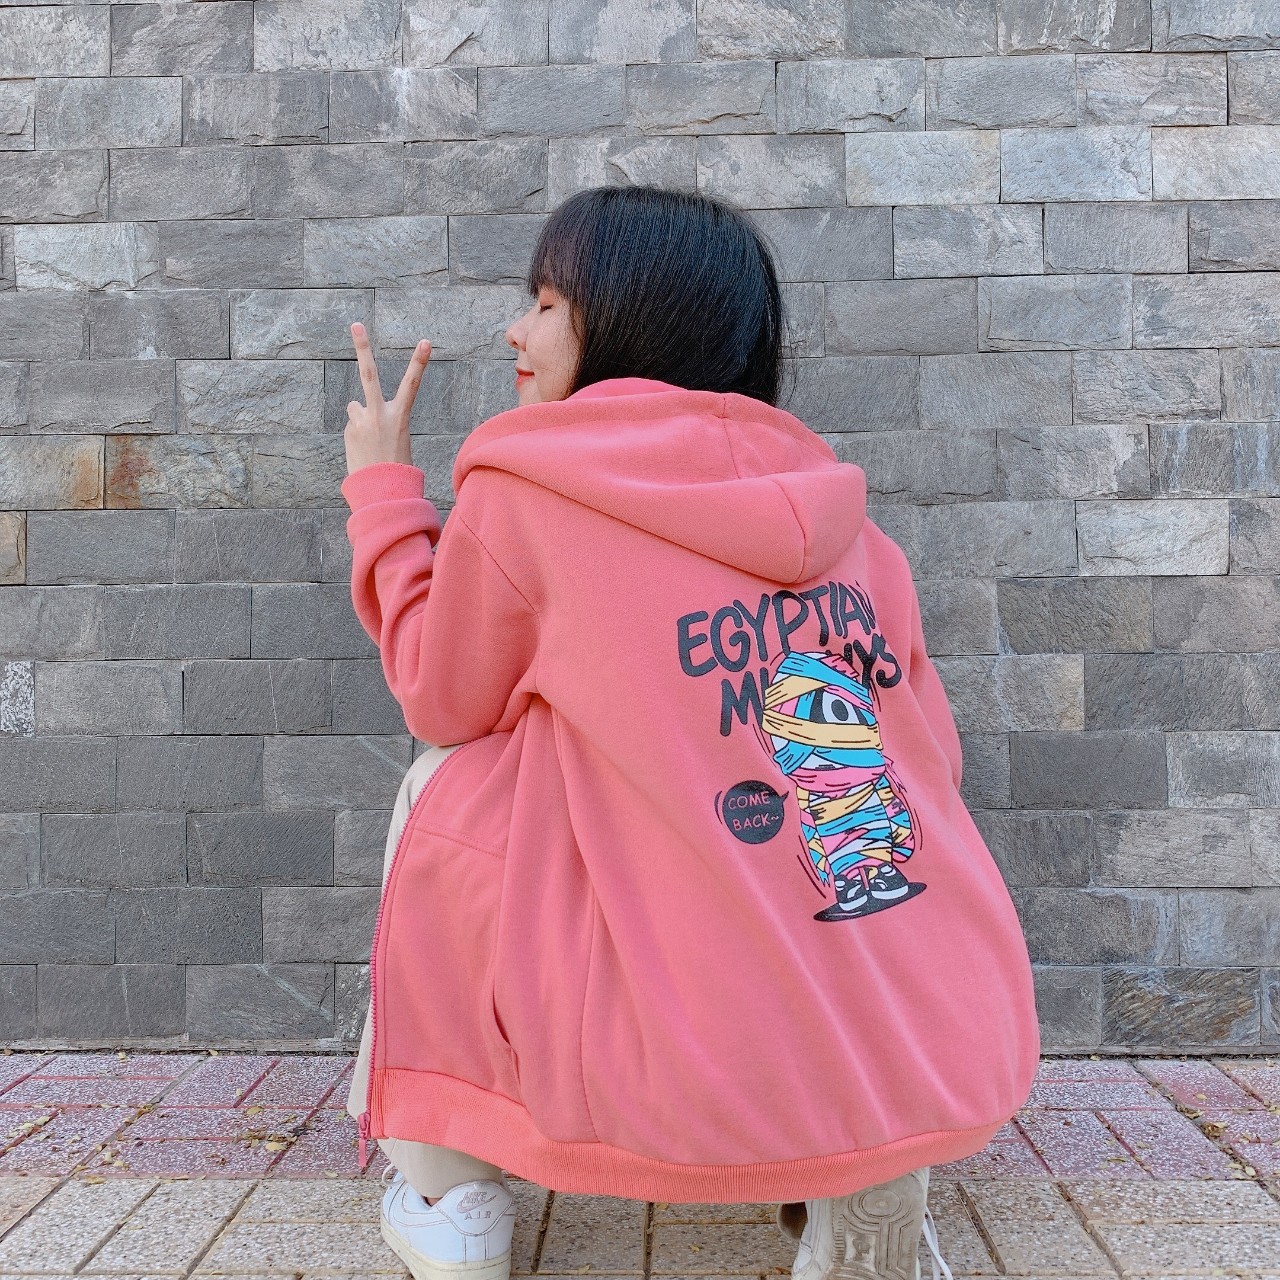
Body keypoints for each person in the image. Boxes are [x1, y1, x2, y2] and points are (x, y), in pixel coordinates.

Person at [338, 185, 1040, 1280]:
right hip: (914, 1000)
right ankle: (865, 1165)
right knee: (835, 807)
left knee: (445, 784)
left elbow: (443, 695)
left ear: (627, 318)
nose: (516, 330)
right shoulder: (844, 516)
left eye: (546, 303)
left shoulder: (528, 492)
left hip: (665, 1017)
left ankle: (448, 1192)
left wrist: (384, 497)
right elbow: (930, 759)